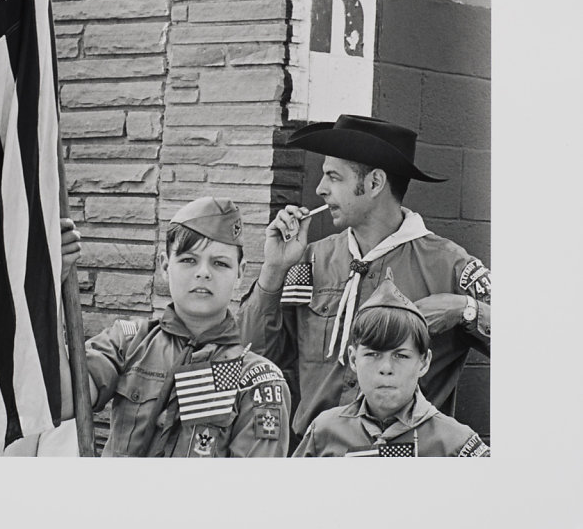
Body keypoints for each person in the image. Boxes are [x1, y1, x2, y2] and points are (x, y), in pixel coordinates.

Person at [238, 114, 491, 445]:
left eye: (333, 177)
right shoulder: (310, 260)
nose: (320, 188)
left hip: (404, 464)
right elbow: (253, 356)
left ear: (374, 184)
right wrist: (273, 270)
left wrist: (466, 309)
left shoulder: (449, 265)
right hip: (318, 456)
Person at [58, 196, 291, 457]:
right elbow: (63, 402)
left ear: (240, 273)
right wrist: (51, 287)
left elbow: (252, 490)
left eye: (220, 263)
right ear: (165, 265)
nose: (203, 273)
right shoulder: (128, 342)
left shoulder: (256, 381)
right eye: (188, 260)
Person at [293, 270, 490, 456]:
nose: (386, 369)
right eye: (372, 355)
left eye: (401, 356)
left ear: (424, 363)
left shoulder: (456, 443)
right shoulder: (323, 432)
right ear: (353, 359)